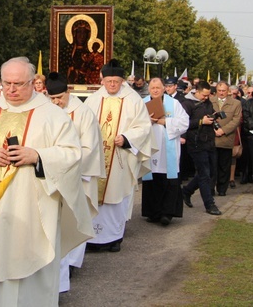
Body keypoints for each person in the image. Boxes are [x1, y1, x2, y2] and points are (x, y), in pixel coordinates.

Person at [0, 57, 92, 306]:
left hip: (30, 211)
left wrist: (38, 156)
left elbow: (72, 153)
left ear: (33, 82)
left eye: (18, 83)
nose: (11, 90)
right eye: (6, 83)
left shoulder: (53, 116)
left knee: (26, 273)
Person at [83, 59, 153, 251]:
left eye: (116, 81)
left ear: (122, 80)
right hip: (97, 158)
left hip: (120, 157)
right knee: (92, 194)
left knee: (117, 196)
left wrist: (127, 138)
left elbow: (144, 127)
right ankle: (91, 239)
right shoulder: (93, 99)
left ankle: (114, 238)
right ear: (102, 80)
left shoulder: (133, 100)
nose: (112, 85)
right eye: (108, 81)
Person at [45, 72, 104, 292]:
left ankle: (70, 263)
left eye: (59, 97)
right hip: (53, 176)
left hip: (77, 175)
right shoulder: (48, 112)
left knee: (77, 216)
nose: (56, 102)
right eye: (51, 98)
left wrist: (66, 164)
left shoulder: (83, 113)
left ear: (68, 92)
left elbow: (89, 148)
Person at [142, 77, 189, 226]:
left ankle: (167, 213)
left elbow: (184, 122)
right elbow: (133, 123)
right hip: (150, 147)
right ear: (148, 89)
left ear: (164, 88)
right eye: (152, 87)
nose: (155, 90)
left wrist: (165, 122)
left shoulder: (173, 104)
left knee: (168, 179)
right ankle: (153, 212)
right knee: (152, 179)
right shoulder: (141, 104)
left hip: (167, 147)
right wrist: (147, 121)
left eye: (158, 87)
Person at [181, 81, 222, 215]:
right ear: (196, 92)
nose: (206, 97)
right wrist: (200, 122)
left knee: (210, 173)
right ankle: (210, 204)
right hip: (196, 142)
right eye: (204, 95)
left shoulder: (207, 102)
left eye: (208, 95)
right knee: (204, 174)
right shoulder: (187, 104)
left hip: (209, 141)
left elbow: (209, 115)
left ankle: (186, 191)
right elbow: (183, 123)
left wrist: (214, 117)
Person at [210, 81, 243, 196]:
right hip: (212, 138)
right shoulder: (210, 101)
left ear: (228, 91)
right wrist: (214, 129)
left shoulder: (236, 103)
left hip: (226, 138)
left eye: (224, 90)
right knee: (212, 165)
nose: (221, 93)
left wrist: (223, 130)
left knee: (224, 165)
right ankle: (210, 188)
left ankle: (222, 189)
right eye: (219, 90)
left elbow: (236, 120)